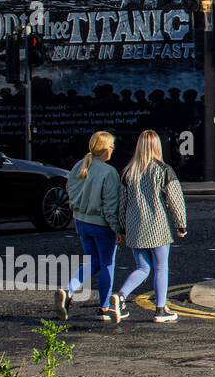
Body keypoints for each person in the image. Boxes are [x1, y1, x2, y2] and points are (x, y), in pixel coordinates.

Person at [110, 130, 187, 323]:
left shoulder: (128, 172)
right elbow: (175, 201)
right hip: (158, 227)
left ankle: (120, 296)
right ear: (157, 146)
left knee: (143, 267)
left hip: (135, 227)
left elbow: (123, 204)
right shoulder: (164, 170)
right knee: (161, 267)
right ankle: (160, 310)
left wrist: (121, 229)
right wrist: (181, 225)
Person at [55, 132, 123, 323]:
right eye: (111, 146)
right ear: (105, 148)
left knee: (92, 261)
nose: (113, 149)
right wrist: (118, 229)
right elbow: (110, 207)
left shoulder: (80, 164)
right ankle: (104, 308)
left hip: (81, 222)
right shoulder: (109, 172)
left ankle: (68, 290)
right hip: (101, 226)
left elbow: (70, 189)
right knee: (107, 263)